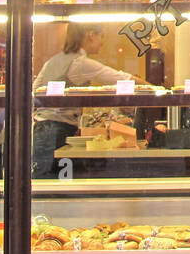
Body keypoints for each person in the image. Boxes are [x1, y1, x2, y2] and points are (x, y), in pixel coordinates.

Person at [32, 25, 133, 177]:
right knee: (46, 181)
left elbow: (34, 91)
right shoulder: (80, 63)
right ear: (91, 35)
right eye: (102, 36)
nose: (102, 42)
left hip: (41, 128)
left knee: (41, 180)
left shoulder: (52, 62)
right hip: (56, 130)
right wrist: (158, 89)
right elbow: (123, 79)